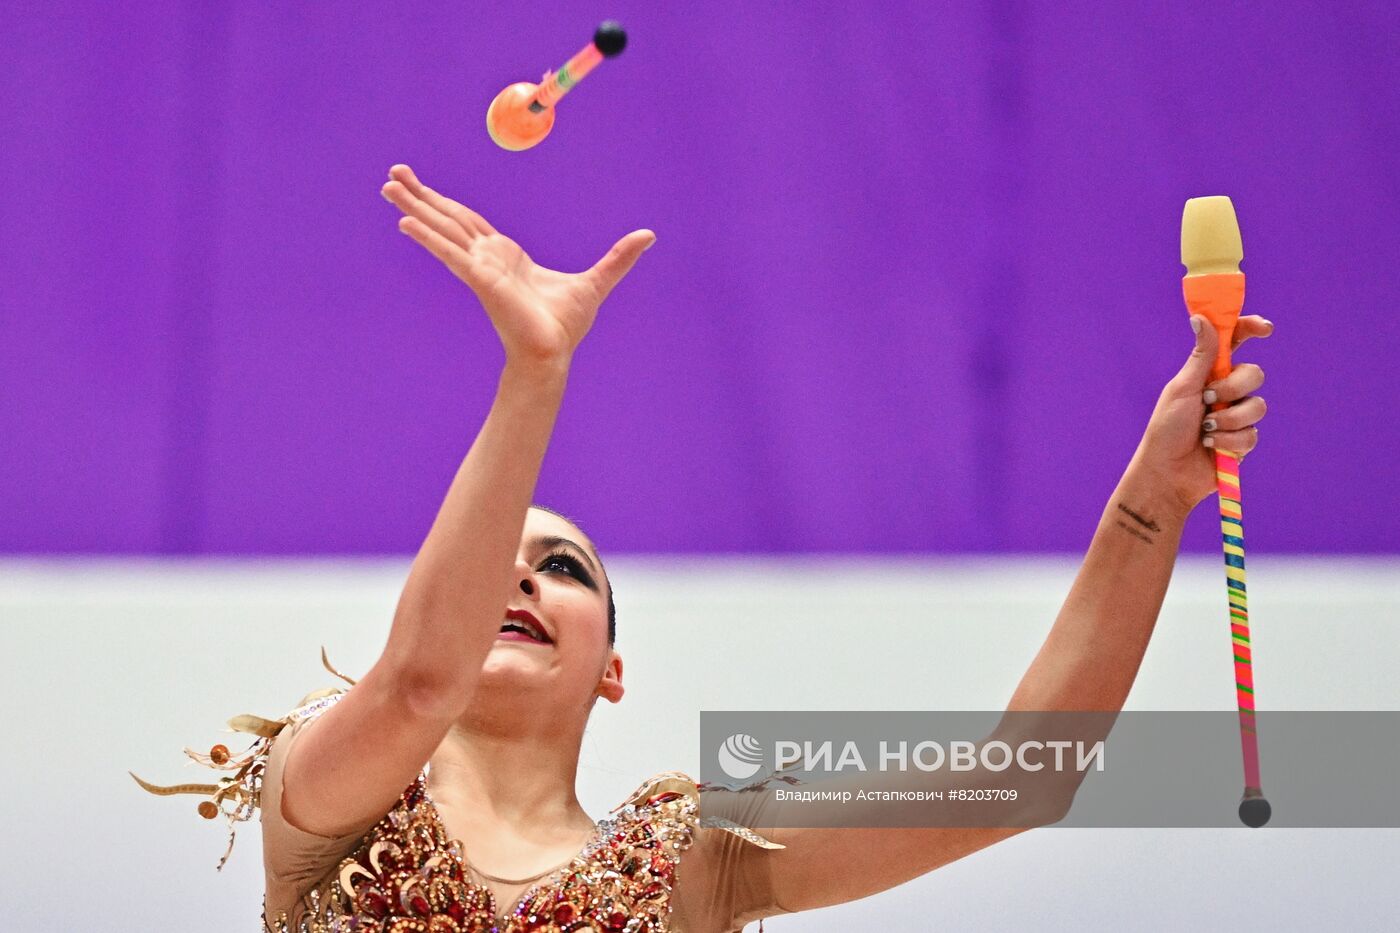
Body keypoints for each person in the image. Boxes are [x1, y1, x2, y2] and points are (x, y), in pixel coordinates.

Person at [136, 164, 1272, 932]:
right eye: (496, 561)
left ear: (611, 667)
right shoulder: (324, 806)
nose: (520, 577)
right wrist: (535, 377)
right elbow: (419, 678)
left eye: (564, 567)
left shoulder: (694, 858)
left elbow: (1016, 780)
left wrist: (1146, 504)